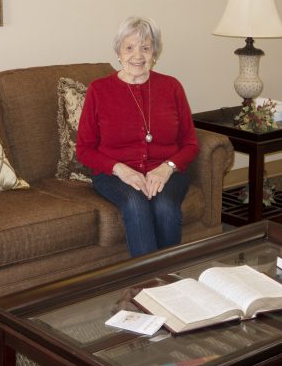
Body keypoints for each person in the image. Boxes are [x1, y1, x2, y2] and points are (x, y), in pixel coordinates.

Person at [76, 17, 198, 257]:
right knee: (135, 204)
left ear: (155, 52)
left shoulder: (171, 87)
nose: (138, 55)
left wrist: (168, 167)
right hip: (116, 174)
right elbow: (84, 149)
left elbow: (190, 144)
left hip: (166, 172)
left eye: (145, 47)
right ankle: (148, 284)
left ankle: (169, 280)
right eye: (129, 48)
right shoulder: (99, 90)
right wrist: (120, 169)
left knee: (165, 207)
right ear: (118, 52)